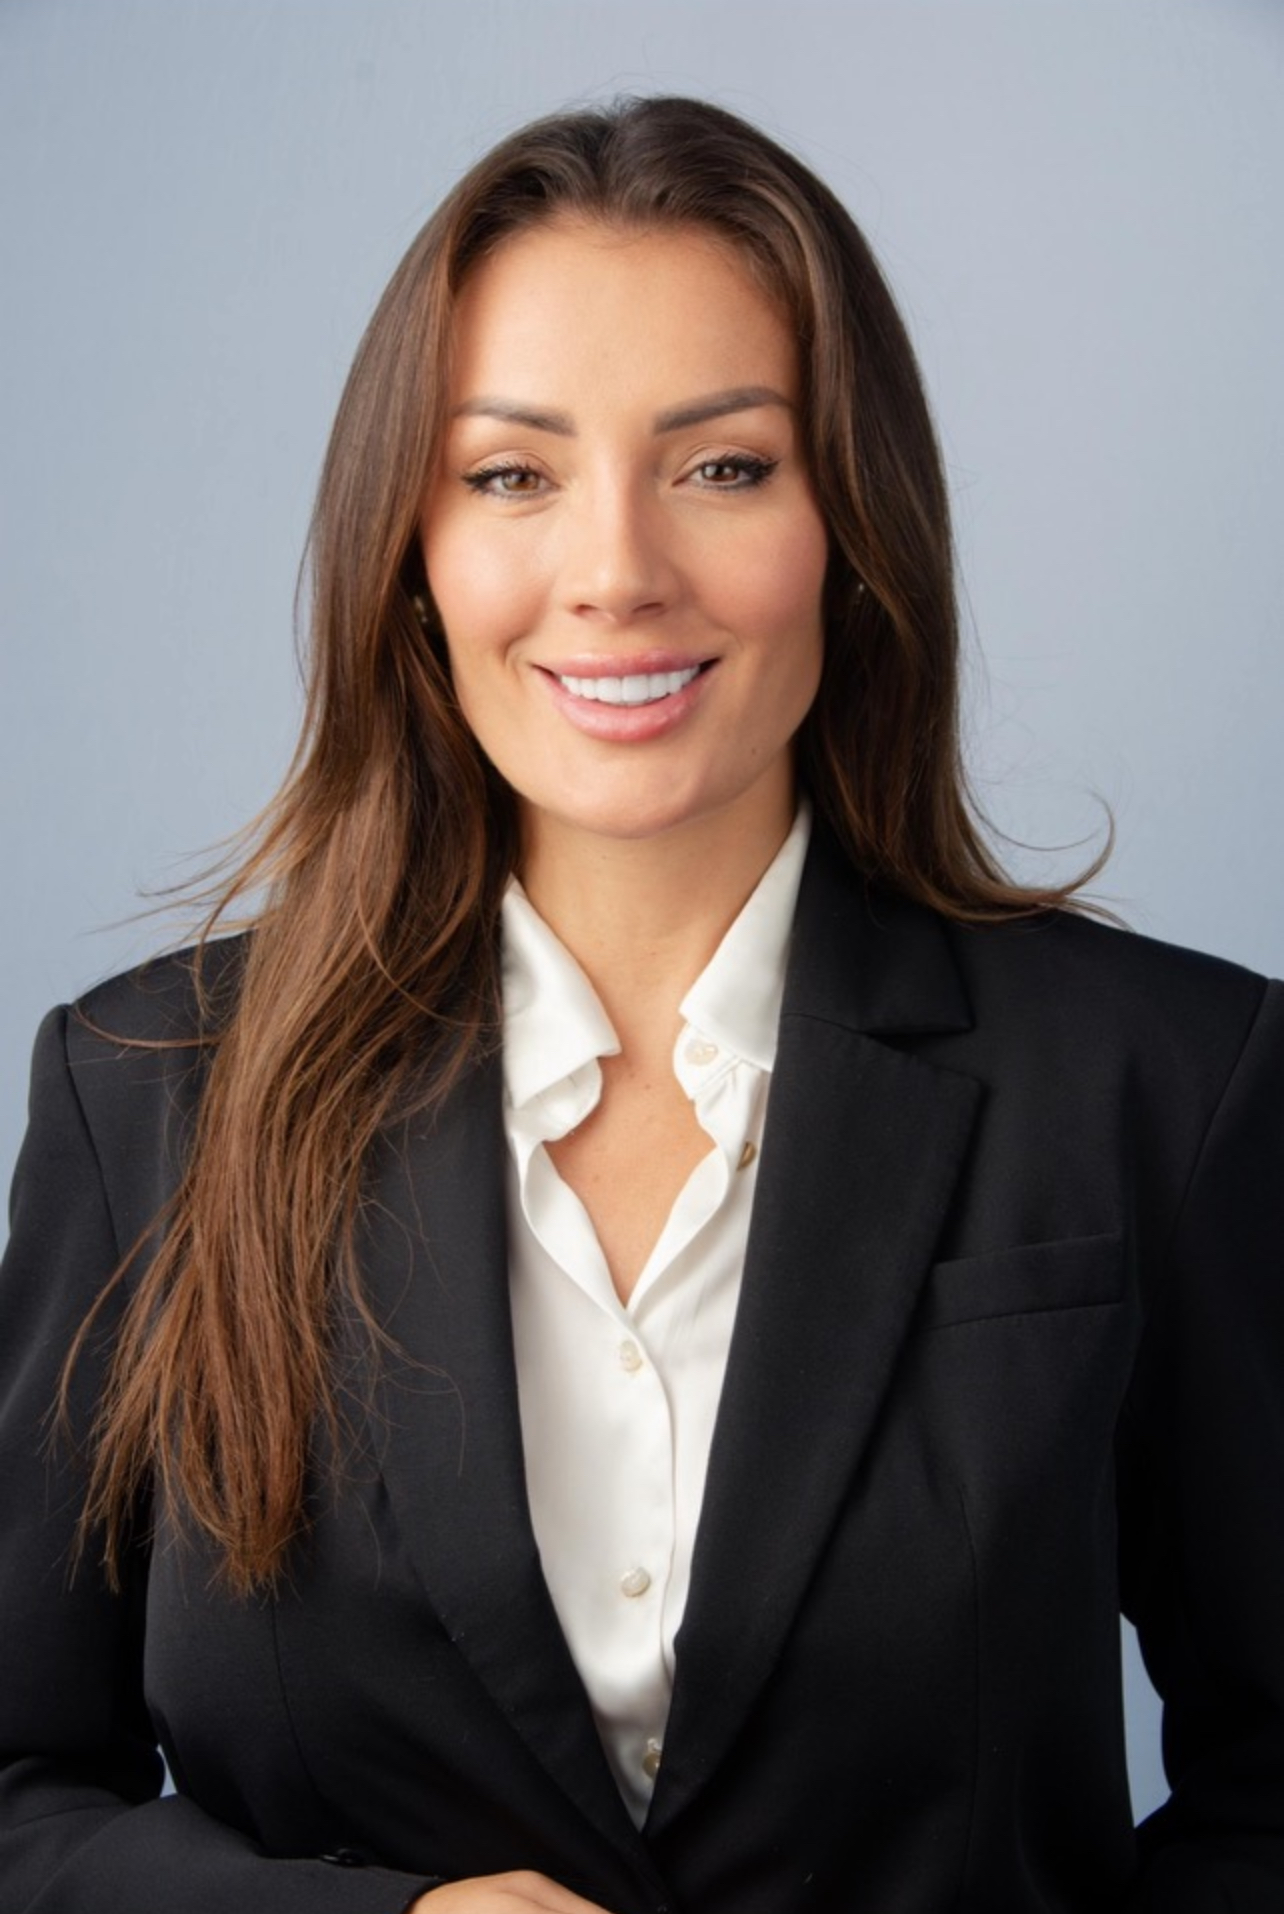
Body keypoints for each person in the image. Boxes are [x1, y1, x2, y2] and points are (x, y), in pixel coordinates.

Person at [1, 94, 1281, 1914]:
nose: (616, 569)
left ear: (855, 521)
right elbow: (17, 1794)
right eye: (513, 474)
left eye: (726, 465)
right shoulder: (147, 1103)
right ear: (412, 546)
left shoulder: (1166, 1080)